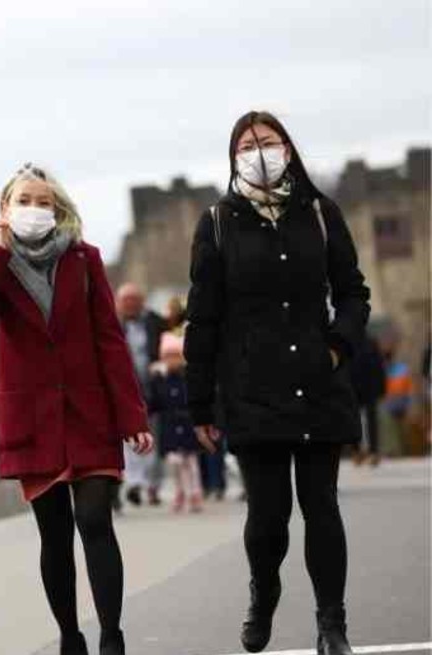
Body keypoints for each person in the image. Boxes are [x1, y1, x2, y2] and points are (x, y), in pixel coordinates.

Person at [185, 111, 370, 655]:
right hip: (251, 391)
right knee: (269, 518)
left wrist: (337, 344)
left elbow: (353, 292)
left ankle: (331, 624)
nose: (259, 151)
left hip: (317, 383)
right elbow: (204, 318)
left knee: (322, 507)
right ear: (233, 156)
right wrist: (200, 406)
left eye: (268, 141)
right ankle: (263, 591)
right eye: (248, 144)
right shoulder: (218, 223)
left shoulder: (320, 214)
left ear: (288, 149)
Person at [0, 163, 154, 655]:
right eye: (25, 200)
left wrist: (132, 417)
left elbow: (110, 340)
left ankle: (112, 636)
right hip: (32, 419)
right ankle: (70, 635)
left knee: (95, 520)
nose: (36, 210)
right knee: (55, 535)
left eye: (45, 202)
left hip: (89, 413)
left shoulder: (85, 260)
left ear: (59, 210)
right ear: (5, 209)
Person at [116, 283, 165, 507]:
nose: (130, 305)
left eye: (134, 300)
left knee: (156, 439)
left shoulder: (156, 322)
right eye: (126, 301)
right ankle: (135, 483)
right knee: (131, 439)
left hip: (154, 388)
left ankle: (153, 485)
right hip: (127, 389)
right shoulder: (113, 324)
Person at [147, 333, 202, 513]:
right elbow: (154, 402)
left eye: (175, 356)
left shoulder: (187, 378)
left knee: (191, 462)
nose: (172, 361)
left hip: (187, 426)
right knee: (175, 463)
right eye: (168, 357)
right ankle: (180, 491)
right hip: (169, 426)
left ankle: (195, 492)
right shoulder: (159, 380)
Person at [347, 333, 387, 466]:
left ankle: (373, 452)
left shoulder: (371, 343)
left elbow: (380, 366)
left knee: (372, 421)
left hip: (370, 388)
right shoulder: (348, 342)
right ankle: (356, 451)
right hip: (353, 388)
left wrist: (382, 388)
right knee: (353, 421)